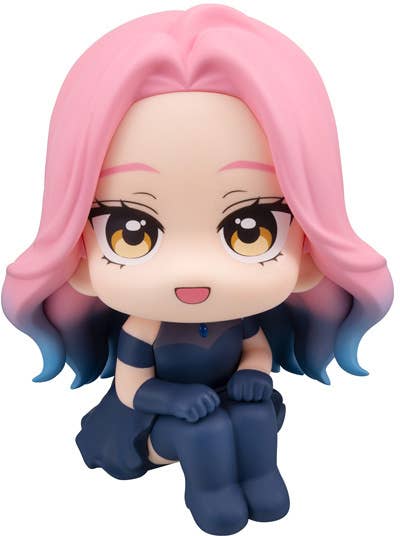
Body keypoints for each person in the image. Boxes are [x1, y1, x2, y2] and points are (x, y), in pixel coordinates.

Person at [1, 5, 393, 536]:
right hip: (154, 420)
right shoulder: (145, 326)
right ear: (78, 254)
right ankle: (212, 497)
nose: (192, 271)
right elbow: (132, 388)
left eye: (251, 228)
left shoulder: (241, 320)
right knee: (203, 434)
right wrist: (176, 399)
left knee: (257, 416)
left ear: (309, 246)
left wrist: (254, 374)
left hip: (225, 400)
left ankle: (261, 481)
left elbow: (254, 351)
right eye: (131, 230)